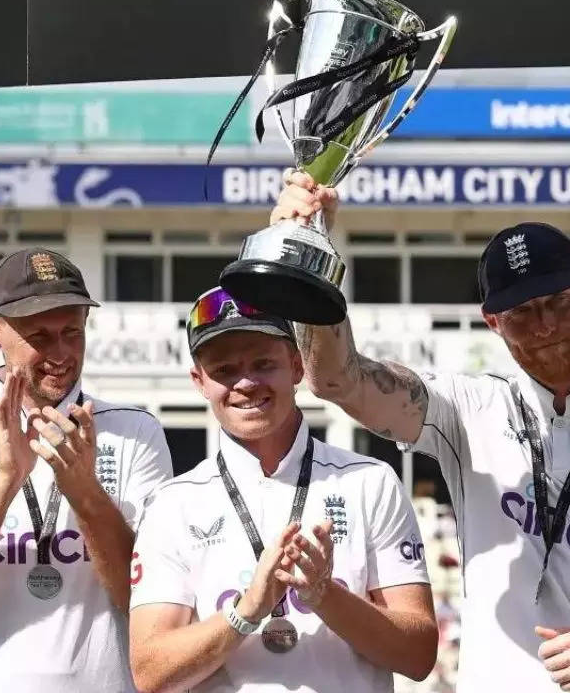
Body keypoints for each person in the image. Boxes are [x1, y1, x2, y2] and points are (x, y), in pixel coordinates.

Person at [270, 172, 570, 693]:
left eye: (558, 303)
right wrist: (309, 251)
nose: (545, 325)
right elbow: (334, 378)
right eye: (522, 313)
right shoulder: (467, 408)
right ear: (492, 322)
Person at [128, 286, 437, 692]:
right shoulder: (174, 503)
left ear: (296, 367)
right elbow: (150, 673)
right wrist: (246, 611)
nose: (246, 383)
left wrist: (325, 596)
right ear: (199, 381)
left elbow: (418, 656)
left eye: (263, 363)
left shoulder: (369, 481)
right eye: (223, 370)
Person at [0, 247, 173, 692]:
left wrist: (85, 493)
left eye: (73, 333)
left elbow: (147, 603)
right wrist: (5, 483)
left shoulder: (136, 430)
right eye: (40, 336)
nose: (60, 353)